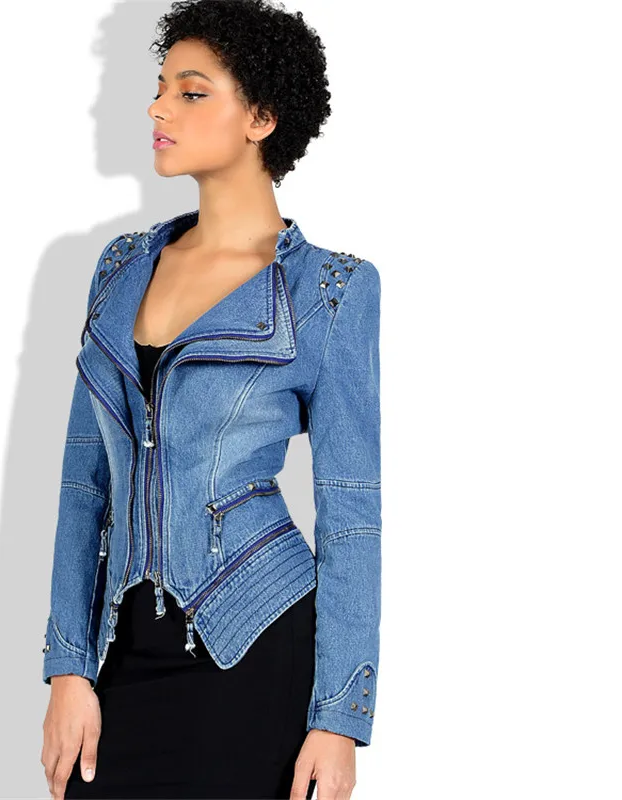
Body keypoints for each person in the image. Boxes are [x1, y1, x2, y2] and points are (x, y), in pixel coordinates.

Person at [41, 2, 382, 798]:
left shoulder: (329, 291)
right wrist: (67, 667)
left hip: (256, 647)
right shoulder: (121, 267)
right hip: (117, 656)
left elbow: (351, 511)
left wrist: (338, 719)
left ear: (262, 118)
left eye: (192, 92)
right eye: (161, 87)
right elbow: (83, 483)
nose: (158, 109)